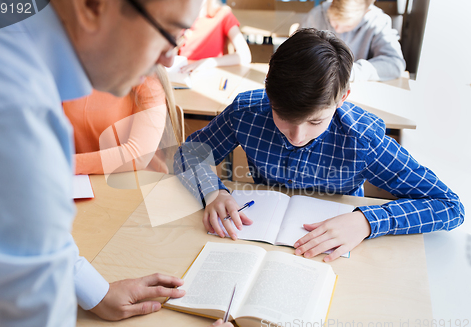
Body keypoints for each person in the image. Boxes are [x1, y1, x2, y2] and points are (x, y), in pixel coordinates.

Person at [0, 0, 233, 327]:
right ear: (91, 6)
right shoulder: (14, 114)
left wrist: (95, 292)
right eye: (169, 32)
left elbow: (16, 234)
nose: (170, 58)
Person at [174, 28, 464, 263]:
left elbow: (449, 206)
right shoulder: (247, 112)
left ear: (343, 98)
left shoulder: (361, 139)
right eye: (283, 118)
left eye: (315, 122)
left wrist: (366, 222)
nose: (297, 136)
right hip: (256, 241)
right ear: (268, 92)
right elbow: (187, 154)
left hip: (335, 253)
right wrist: (212, 191)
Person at [63, 66, 180, 175]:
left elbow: (138, 155)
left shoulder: (147, 75)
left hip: (136, 182)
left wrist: (63, 163)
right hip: (78, 180)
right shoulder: (68, 67)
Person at [294, 0, 405, 81]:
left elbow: (395, 63)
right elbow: (295, 52)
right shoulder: (316, 15)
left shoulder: (378, 21)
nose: (337, 30)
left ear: (366, 13)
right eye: (333, 22)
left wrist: (349, 72)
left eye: (347, 26)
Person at [179, 0, 252, 73]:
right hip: (182, 74)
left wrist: (208, 62)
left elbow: (245, 55)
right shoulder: (178, 17)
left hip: (212, 74)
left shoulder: (223, 14)